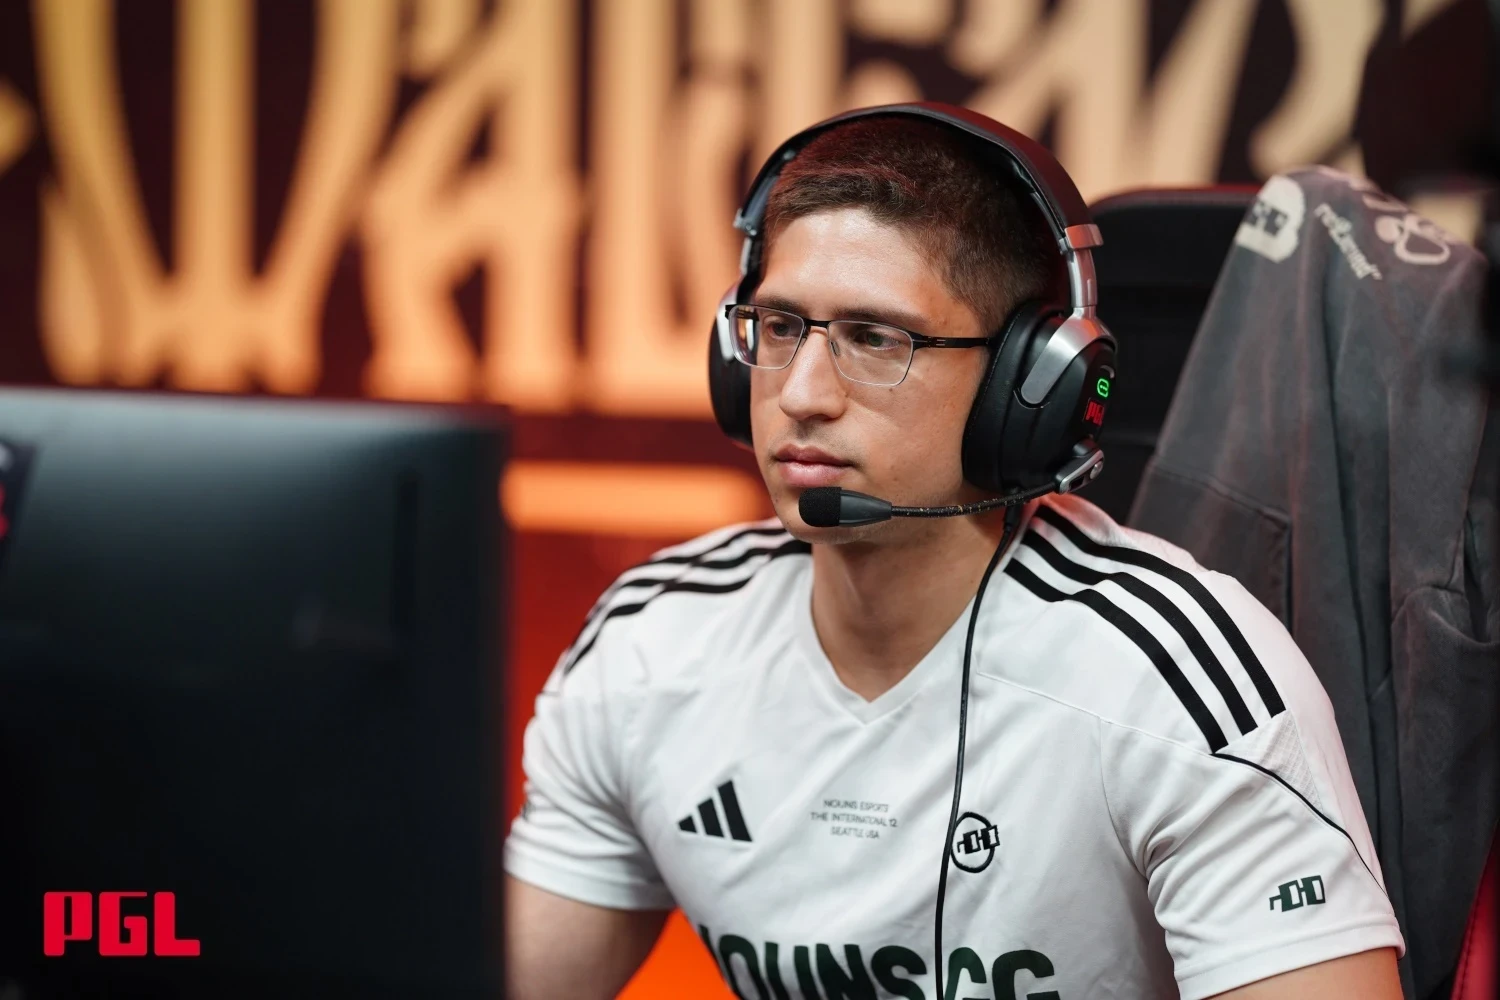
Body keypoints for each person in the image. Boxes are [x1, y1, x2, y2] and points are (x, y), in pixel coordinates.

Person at [504, 106, 1406, 1000]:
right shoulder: (650, 648)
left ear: (1029, 385)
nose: (804, 394)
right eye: (779, 327)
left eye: (874, 338)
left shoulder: (1172, 689)